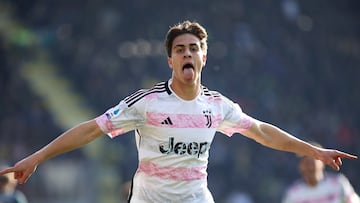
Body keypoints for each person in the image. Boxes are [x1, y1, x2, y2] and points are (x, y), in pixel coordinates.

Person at [0, 20, 357, 203]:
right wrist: (39, 156)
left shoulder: (217, 106)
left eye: (194, 48)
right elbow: (91, 129)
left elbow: (263, 131)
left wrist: (314, 150)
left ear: (204, 57)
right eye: (181, 49)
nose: (187, 54)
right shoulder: (147, 103)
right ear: (170, 59)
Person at [282, 142, 360, 203]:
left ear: (323, 163)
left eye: (313, 160)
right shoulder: (294, 193)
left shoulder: (338, 184)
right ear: (300, 166)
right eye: (306, 161)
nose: (309, 165)